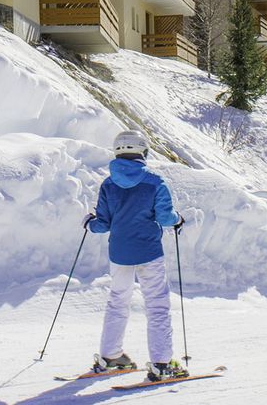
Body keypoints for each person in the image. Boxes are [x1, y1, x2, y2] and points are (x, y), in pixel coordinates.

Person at [86, 130, 189, 383]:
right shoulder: (155, 182)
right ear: (143, 152)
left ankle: (111, 357)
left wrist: (89, 223)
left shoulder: (108, 184)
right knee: (156, 305)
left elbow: (103, 223)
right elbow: (165, 218)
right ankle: (162, 364)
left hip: (119, 253)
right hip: (149, 252)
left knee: (117, 301)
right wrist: (178, 219)